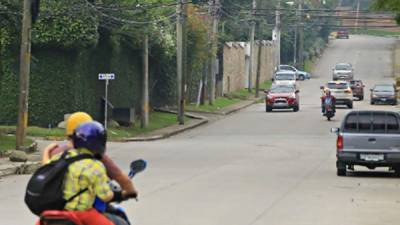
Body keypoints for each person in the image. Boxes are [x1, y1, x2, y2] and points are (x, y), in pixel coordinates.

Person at [42, 112, 137, 200]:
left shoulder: (55, 152)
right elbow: (120, 178)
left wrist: (46, 151)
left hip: (55, 207)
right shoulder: (96, 155)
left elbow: (45, 170)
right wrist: (130, 192)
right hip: (83, 208)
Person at [45, 121, 115, 225]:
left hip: (57, 213)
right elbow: (105, 196)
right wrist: (113, 194)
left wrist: (46, 151)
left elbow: (46, 168)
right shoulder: (95, 166)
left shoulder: (61, 157)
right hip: (82, 214)